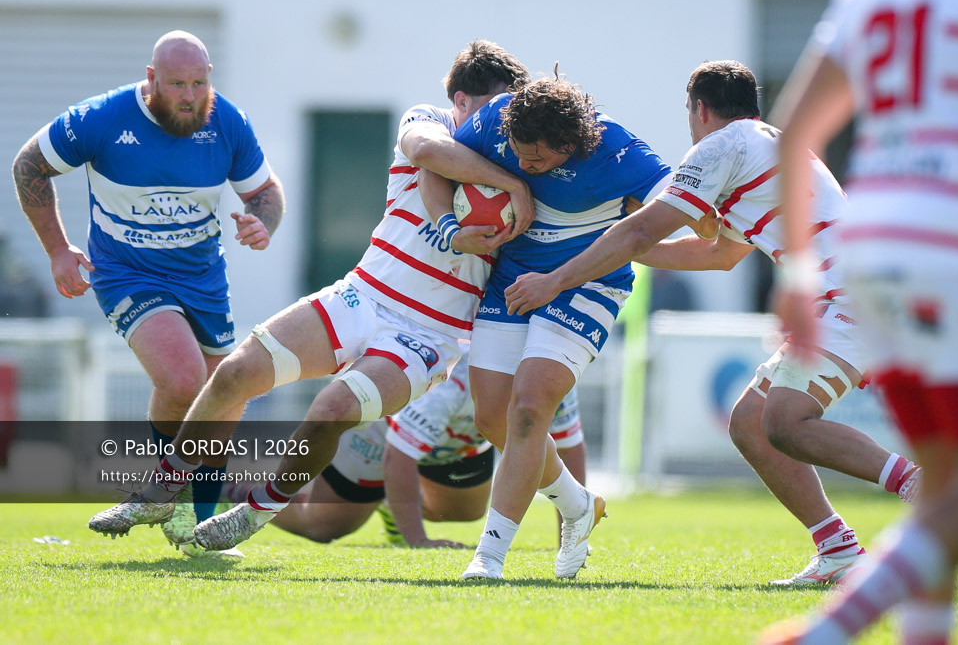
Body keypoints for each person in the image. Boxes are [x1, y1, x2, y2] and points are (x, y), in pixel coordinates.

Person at [87, 41, 601, 561]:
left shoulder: (527, 166)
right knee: (234, 373)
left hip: (429, 335)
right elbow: (425, 152)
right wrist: (508, 185)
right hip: (361, 294)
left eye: (506, 115)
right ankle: (161, 490)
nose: (498, 128)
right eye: (489, 110)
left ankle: (253, 513)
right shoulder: (430, 123)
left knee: (331, 410)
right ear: (460, 100)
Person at [504, 60, 922, 586]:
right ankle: (837, 549)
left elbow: (640, 233)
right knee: (750, 422)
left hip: (849, 297)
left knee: (784, 421)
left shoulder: (722, 148)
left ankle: (920, 486)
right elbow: (719, 254)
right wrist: (607, 248)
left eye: (689, 114)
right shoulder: (760, 147)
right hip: (841, 297)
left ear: (699, 109)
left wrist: (557, 278)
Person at [760, 0, 958, 643]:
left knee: (942, 485)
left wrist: (799, 275)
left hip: (867, 248)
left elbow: (795, 133)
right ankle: (830, 631)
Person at [11, 30, 285, 557]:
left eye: (199, 83)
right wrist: (58, 250)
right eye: (177, 83)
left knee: (222, 393)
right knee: (183, 378)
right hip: (127, 271)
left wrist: (261, 222)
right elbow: (29, 165)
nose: (188, 95)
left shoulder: (227, 120)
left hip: (203, 275)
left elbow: (265, 191)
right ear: (151, 78)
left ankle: (196, 530)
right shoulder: (102, 118)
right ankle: (163, 494)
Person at [420, 75, 675, 580]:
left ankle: (488, 557)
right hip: (514, 282)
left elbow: (677, 206)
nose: (524, 164)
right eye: (517, 153)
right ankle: (578, 504)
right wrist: (451, 230)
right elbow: (432, 162)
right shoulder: (497, 117)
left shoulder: (619, 151)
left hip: (588, 286)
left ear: (571, 144)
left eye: (536, 160)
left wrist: (718, 224)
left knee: (531, 407)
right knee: (495, 419)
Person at [259, 345, 588, 548]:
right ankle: (238, 492)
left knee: (465, 512)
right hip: (383, 432)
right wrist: (418, 540)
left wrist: (570, 541)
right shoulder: (453, 386)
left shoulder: (549, 372)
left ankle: (393, 503)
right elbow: (399, 452)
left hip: (454, 441)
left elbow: (569, 447)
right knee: (322, 526)